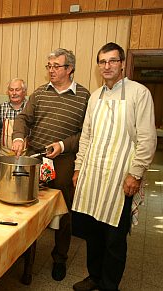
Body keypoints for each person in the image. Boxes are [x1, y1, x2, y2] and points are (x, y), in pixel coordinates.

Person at [72, 43, 156, 291]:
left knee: (114, 239)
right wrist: (78, 168)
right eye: (102, 61)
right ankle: (94, 276)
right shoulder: (95, 97)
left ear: (121, 64)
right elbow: (86, 136)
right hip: (93, 175)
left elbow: (147, 138)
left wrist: (135, 173)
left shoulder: (139, 93)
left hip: (120, 178)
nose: (107, 66)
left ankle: (109, 285)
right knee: (93, 234)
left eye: (112, 61)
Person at [12, 48, 90, 281]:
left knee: (63, 210)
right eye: (49, 66)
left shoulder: (85, 96)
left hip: (65, 159)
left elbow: (86, 134)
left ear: (70, 69)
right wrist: (18, 136)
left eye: (56, 66)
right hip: (36, 155)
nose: (51, 70)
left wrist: (63, 145)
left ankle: (60, 258)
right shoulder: (39, 93)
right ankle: (25, 257)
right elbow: (24, 119)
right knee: (27, 207)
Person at [0, 78, 28, 160]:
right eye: (11, 90)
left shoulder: (29, 109)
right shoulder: (1, 108)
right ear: (8, 92)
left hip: (25, 156)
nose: (14, 93)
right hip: (4, 155)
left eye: (17, 90)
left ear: (24, 92)